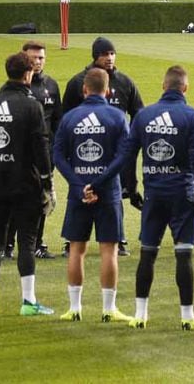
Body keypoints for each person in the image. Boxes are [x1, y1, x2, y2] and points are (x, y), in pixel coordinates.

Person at [90, 66, 194, 330]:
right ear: (185, 88)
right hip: (182, 192)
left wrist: (131, 189)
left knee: (148, 254)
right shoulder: (192, 116)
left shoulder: (144, 115)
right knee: (184, 254)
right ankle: (187, 316)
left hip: (154, 193)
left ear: (163, 85)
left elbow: (128, 154)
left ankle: (140, 314)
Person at [0, 53, 55, 316]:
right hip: (25, 184)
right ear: (28, 74)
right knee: (27, 241)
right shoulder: (32, 106)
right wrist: (47, 182)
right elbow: (40, 146)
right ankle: (28, 301)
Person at [53, 68, 133, 324]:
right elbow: (124, 157)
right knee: (109, 250)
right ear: (108, 90)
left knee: (77, 249)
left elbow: (58, 156)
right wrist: (99, 183)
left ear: (84, 90)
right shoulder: (118, 116)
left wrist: (79, 185)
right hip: (108, 192)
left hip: (79, 193)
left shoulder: (69, 118)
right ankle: (108, 308)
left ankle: (74, 308)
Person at [62, 37, 144, 257]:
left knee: (116, 191)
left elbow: (139, 112)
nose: (109, 58)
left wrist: (132, 141)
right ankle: (74, 238)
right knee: (79, 190)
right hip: (84, 148)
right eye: (104, 54)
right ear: (95, 56)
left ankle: (119, 237)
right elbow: (65, 116)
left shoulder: (125, 82)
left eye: (112, 53)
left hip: (115, 149)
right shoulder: (77, 82)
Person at [4, 40, 64, 261]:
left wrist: (54, 150)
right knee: (13, 201)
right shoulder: (14, 86)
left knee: (42, 200)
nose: (38, 62)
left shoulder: (52, 85)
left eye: (41, 58)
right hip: (18, 157)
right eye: (33, 58)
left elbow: (58, 120)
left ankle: (38, 244)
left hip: (44, 156)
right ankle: (8, 244)